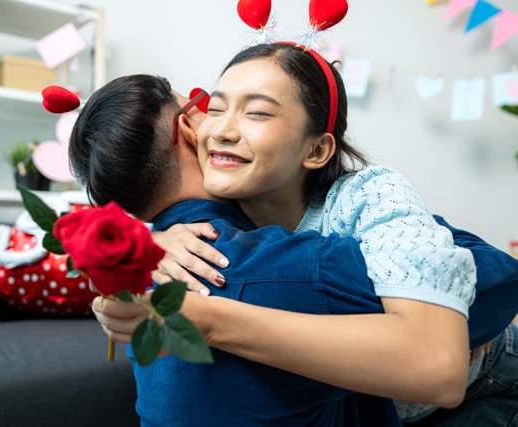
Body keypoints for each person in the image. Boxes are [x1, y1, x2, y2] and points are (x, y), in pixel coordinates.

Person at [145, 43, 518, 425]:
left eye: (256, 113)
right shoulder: (213, 212)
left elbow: (439, 370)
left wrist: (212, 320)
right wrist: (154, 242)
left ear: (317, 149)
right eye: (217, 108)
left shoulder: (372, 196)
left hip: (491, 383)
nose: (222, 130)